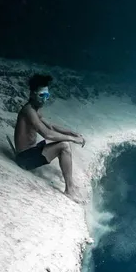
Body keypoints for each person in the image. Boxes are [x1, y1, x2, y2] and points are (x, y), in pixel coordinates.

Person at [14, 73, 85, 201]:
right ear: (32, 94)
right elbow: (47, 134)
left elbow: (51, 126)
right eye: (41, 95)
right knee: (64, 146)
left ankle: (71, 185)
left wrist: (72, 133)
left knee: (65, 141)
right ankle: (70, 190)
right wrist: (72, 139)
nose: (44, 99)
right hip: (24, 159)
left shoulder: (35, 109)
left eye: (47, 95)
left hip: (31, 151)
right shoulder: (28, 110)